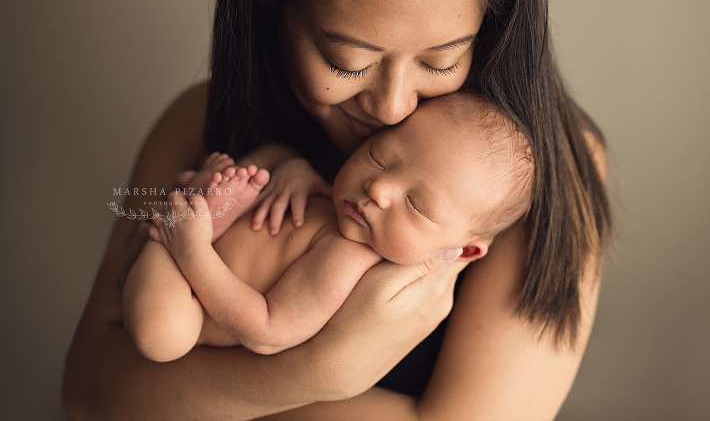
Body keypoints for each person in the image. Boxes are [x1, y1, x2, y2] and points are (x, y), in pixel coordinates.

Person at [63, 0, 612, 420]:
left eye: (440, 60)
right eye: (346, 63)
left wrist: (204, 390)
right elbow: (88, 393)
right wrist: (306, 375)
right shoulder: (201, 123)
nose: (394, 107)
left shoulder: (530, 182)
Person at [123, 93, 534, 362]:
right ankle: (191, 212)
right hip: (197, 249)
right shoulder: (340, 202)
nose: (379, 187)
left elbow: (267, 329)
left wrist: (192, 251)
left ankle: (179, 223)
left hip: (193, 300)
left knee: (162, 337)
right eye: (378, 157)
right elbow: (292, 177)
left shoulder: (349, 261)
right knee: (262, 172)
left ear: (463, 251)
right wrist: (293, 170)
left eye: (416, 204)